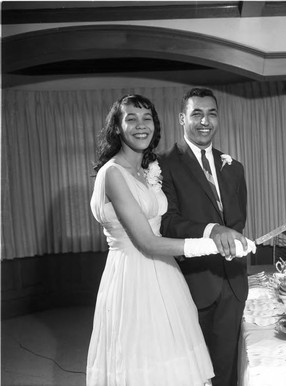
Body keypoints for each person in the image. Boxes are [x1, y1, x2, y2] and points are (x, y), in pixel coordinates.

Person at [86, 94, 255, 386]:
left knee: (187, 367)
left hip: (170, 275)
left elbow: (235, 220)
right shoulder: (117, 172)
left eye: (147, 118)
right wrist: (212, 238)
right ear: (116, 127)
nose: (141, 126)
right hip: (136, 277)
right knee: (146, 364)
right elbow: (151, 239)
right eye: (131, 119)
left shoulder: (146, 170)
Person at [160, 88, 249, 386]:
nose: (204, 121)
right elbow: (168, 223)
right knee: (195, 372)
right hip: (194, 282)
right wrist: (212, 231)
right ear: (181, 118)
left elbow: (237, 221)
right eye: (196, 113)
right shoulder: (163, 166)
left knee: (228, 367)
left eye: (211, 113)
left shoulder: (233, 167)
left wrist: (237, 242)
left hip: (233, 281)